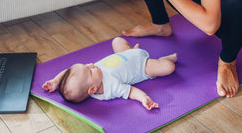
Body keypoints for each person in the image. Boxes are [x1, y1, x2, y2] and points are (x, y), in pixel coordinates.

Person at [42, 37, 177, 110]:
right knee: (169, 67)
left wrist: (56, 80)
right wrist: (144, 98)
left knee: (117, 41)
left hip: (124, 54)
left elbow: (68, 71)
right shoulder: (110, 87)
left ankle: (132, 50)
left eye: (86, 66)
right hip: (142, 65)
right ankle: (162, 60)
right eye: (89, 70)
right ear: (93, 89)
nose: (90, 64)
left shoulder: (91, 76)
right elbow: (130, 91)